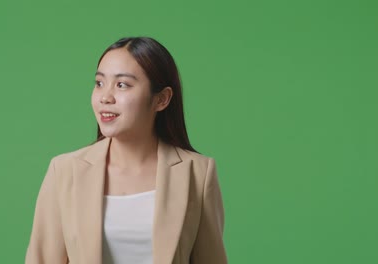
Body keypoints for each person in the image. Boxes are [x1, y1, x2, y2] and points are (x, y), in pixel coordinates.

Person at [25, 37, 228, 264]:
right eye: (100, 83)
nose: (105, 97)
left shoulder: (198, 173)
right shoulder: (64, 171)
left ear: (161, 99)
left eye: (122, 85)